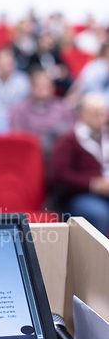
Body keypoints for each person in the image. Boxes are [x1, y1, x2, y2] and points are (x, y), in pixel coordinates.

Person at [52, 93, 109, 235]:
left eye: (104, 114)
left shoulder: (105, 137)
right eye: (97, 115)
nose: (102, 119)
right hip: (80, 195)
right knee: (97, 214)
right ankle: (98, 256)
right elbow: (59, 175)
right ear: (82, 115)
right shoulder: (69, 140)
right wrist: (92, 184)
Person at [10, 69, 74, 159]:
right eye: (39, 85)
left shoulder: (62, 108)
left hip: (58, 154)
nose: (43, 89)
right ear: (31, 87)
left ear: (53, 88)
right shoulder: (20, 110)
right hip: (30, 155)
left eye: (47, 86)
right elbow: (18, 137)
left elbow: (71, 132)